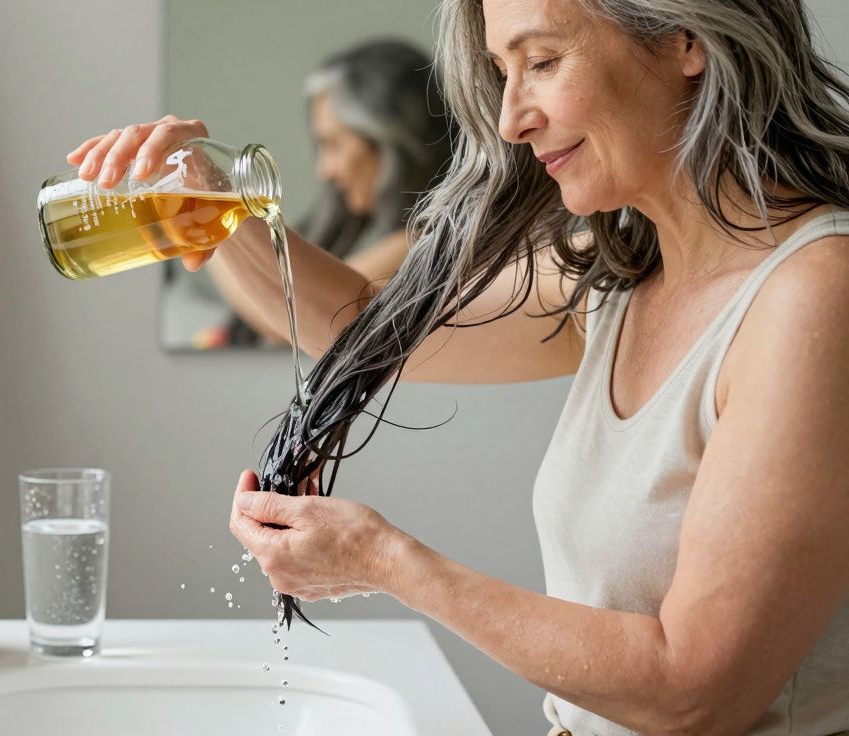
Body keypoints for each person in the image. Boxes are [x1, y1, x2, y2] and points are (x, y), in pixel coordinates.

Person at [66, 0, 849, 733]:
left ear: (686, 38)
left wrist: (385, 561)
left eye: (540, 61)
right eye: (503, 72)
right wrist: (214, 200)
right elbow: (358, 322)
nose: (511, 119)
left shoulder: (814, 295)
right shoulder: (616, 275)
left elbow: (698, 690)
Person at [206, 38, 453, 346]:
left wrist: (203, 208)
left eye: (332, 144)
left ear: (388, 145)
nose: (324, 170)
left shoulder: (424, 243)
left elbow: (291, 314)